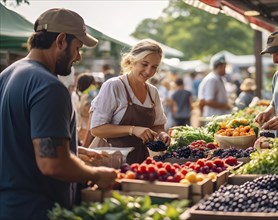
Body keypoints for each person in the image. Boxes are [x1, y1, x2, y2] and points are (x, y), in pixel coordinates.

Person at [0, 8, 117, 220]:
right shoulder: (48, 86)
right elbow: (52, 163)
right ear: (61, 40)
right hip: (38, 210)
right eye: (78, 48)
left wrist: (72, 146)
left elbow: (18, 136)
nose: (78, 57)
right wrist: (97, 174)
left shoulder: (7, 75)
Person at [89, 39, 171, 164]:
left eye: (154, 67)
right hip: (111, 160)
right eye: (144, 64)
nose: (149, 71)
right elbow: (96, 129)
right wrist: (133, 129)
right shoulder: (114, 86)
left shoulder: (152, 92)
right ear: (132, 61)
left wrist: (161, 134)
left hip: (140, 160)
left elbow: (158, 125)